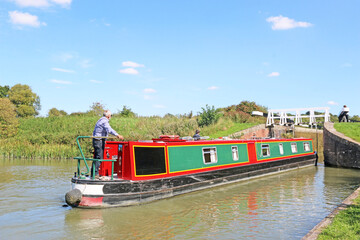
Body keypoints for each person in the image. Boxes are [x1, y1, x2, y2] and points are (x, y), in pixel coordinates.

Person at [92, 110, 124, 178]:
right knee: (99, 157)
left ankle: (94, 173)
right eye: (111, 116)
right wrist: (117, 135)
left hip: (98, 140)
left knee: (97, 156)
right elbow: (109, 129)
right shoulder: (104, 121)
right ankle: (95, 174)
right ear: (108, 116)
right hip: (99, 140)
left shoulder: (100, 120)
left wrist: (105, 140)